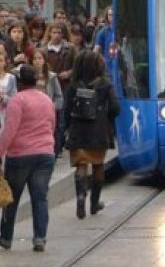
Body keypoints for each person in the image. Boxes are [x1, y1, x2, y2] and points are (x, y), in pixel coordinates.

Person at [0, 65, 56, 252]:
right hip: (45, 155)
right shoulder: (47, 99)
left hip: (20, 156)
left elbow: (9, 131)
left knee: (12, 198)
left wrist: (0, 152)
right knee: (40, 197)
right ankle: (40, 238)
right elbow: (52, 124)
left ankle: (6, 237)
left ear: (20, 81)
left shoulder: (17, 100)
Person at [65, 50, 120, 219]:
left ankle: (81, 196)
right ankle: (94, 203)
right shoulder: (105, 84)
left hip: (78, 131)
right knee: (98, 165)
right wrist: (105, 119)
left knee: (81, 164)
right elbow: (116, 108)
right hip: (98, 131)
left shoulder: (73, 85)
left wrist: (67, 128)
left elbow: (67, 109)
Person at [31, 48, 65, 158]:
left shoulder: (51, 77)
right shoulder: (28, 76)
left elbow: (59, 97)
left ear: (44, 60)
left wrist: (53, 106)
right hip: (32, 111)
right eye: (35, 58)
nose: (37, 61)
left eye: (40, 58)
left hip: (48, 112)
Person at [0, 50, 17, 129]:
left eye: (1, 61)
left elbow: (14, 98)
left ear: (5, 63)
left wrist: (3, 98)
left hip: (6, 112)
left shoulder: (11, 78)